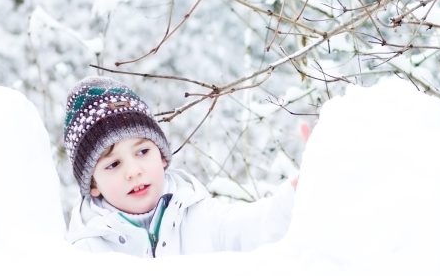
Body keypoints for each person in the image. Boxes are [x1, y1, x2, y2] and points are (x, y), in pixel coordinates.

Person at [63, 76, 298, 257]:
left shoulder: (197, 214)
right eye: (114, 164)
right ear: (93, 184)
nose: (133, 171)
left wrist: (295, 196)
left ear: (162, 157)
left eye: (143, 152)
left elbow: (254, 226)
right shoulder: (86, 252)